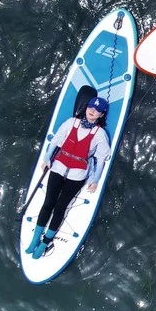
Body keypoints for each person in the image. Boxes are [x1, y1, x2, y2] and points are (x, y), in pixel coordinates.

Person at [26, 96, 111, 260]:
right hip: (58, 168)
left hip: (77, 175)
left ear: (101, 115)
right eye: (91, 107)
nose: (92, 111)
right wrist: (46, 159)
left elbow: (100, 159)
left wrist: (95, 180)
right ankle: (35, 238)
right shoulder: (72, 122)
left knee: (60, 207)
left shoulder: (100, 134)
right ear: (86, 107)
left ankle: (45, 242)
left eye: (97, 110)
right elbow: (56, 140)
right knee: (48, 203)